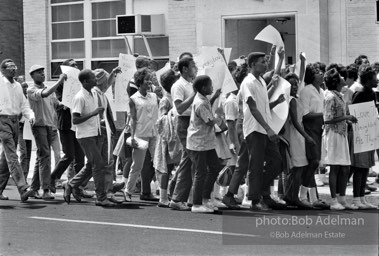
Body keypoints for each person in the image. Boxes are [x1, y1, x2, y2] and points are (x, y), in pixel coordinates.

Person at [239, 52, 286, 210]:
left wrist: (279, 59)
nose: (266, 65)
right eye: (262, 62)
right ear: (252, 64)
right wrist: (268, 128)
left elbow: (264, 106)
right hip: (255, 130)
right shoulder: (248, 82)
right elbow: (253, 108)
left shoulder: (261, 82)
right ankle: (254, 199)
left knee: (278, 162)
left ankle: (262, 191)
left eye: (266, 62)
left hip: (266, 130)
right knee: (256, 166)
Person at [64, 69, 114, 207]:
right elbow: (75, 120)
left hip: (95, 133)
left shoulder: (93, 93)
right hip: (85, 136)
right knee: (98, 165)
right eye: (93, 78)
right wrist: (93, 113)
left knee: (92, 164)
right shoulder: (80, 97)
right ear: (85, 81)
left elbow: (105, 88)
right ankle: (101, 197)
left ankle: (71, 184)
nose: (95, 80)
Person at [50, 59, 88, 198]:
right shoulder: (61, 83)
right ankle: (53, 178)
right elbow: (57, 102)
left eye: (77, 65)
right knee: (69, 155)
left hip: (76, 124)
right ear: (66, 68)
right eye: (73, 65)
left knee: (80, 158)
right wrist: (64, 103)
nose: (76, 67)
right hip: (66, 123)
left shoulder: (79, 83)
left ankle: (77, 187)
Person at [27, 65, 66, 200]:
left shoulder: (48, 88)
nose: (42, 74)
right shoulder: (31, 89)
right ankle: (46, 189)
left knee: (41, 157)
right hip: (39, 125)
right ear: (32, 76)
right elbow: (45, 94)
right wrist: (59, 81)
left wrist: (65, 103)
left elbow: (56, 103)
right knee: (45, 156)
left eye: (43, 72)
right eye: (39, 72)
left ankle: (33, 188)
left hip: (50, 126)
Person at [321, 68, 358, 210]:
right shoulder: (330, 97)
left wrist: (347, 121)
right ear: (336, 82)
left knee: (344, 167)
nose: (343, 77)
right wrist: (347, 117)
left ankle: (342, 198)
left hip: (340, 133)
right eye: (340, 76)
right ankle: (333, 200)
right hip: (333, 135)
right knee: (335, 167)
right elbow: (327, 119)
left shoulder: (339, 95)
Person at [0, 59, 35, 202]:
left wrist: (30, 115)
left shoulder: (19, 86)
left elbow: (24, 105)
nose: (14, 69)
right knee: (13, 156)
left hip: (15, 120)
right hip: (2, 120)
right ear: (3, 70)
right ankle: (23, 188)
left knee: (5, 159)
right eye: (10, 67)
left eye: (15, 67)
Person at [186, 75, 223, 213]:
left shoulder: (203, 99)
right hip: (199, 143)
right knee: (200, 172)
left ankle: (205, 198)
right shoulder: (200, 103)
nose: (212, 88)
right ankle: (196, 203)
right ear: (203, 88)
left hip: (206, 142)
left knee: (215, 167)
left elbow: (208, 107)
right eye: (210, 85)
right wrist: (218, 117)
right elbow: (208, 120)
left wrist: (214, 97)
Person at [124, 67, 160, 202]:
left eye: (150, 80)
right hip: (140, 135)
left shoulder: (154, 96)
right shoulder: (133, 99)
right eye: (146, 80)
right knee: (137, 165)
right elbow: (133, 119)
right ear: (139, 82)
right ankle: (128, 191)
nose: (149, 82)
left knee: (158, 163)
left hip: (154, 134)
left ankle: (162, 191)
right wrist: (132, 137)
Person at [282, 72, 315, 209]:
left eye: (296, 84)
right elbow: (295, 122)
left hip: (299, 135)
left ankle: (290, 196)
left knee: (298, 168)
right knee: (298, 167)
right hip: (295, 135)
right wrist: (307, 136)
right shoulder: (291, 100)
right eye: (292, 84)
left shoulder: (296, 98)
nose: (295, 86)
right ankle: (294, 197)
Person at [299, 63, 329, 209]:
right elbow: (305, 114)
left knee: (314, 163)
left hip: (320, 130)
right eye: (317, 72)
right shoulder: (306, 91)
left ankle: (312, 197)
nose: (321, 74)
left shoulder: (321, 91)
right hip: (309, 130)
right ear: (311, 75)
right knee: (313, 162)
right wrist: (325, 114)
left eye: (321, 71)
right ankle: (303, 196)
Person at [350, 64, 378, 209]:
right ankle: (356, 199)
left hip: (369, 134)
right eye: (375, 78)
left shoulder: (371, 93)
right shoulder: (360, 93)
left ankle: (362, 198)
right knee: (359, 168)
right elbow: (354, 113)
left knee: (366, 166)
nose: (377, 80)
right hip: (359, 135)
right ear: (368, 80)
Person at [154, 69, 182, 207]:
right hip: (167, 138)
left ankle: (172, 191)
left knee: (178, 165)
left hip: (176, 137)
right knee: (166, 167)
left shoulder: (177, 96)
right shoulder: (166, 99)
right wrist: (174, 112)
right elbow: (162, 120)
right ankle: (163, 197)